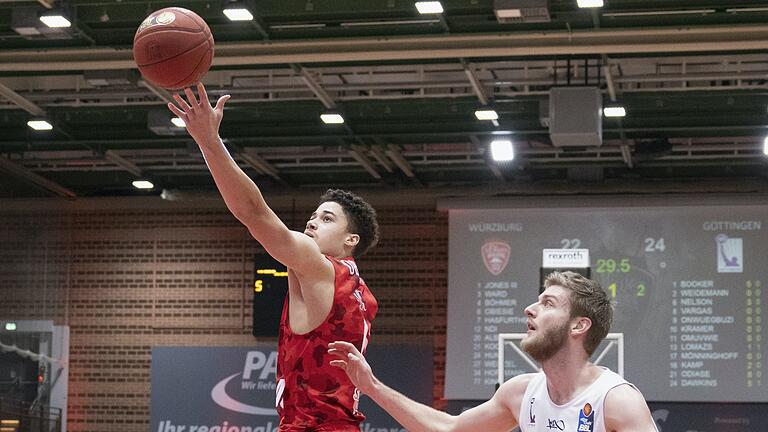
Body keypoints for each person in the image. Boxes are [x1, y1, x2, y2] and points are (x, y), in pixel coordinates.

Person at [168, 84, 380, 431]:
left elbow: (254, 212)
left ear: (350, 240)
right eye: (314, 215)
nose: (312, 221)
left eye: (327, 218)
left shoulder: (320, 267)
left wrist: (209, 141)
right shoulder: (363, 294)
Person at [329, 271, 659, 432]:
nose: (530, 309)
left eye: (548, 303)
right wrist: (372, 386)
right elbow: (448, 429)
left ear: (578, 326)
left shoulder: (617, 401)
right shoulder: (520, 392)